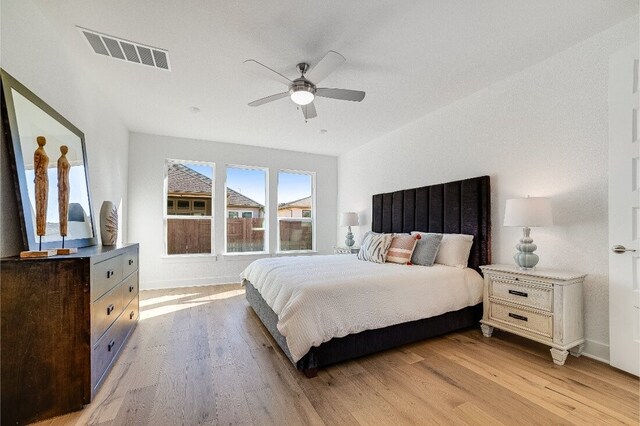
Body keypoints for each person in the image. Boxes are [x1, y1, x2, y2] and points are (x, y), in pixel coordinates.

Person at [33, 136, 49, 237]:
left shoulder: (43, 151)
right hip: (40, 178)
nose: (44, 140)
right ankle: (40, 230)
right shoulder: (38, 152)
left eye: (44, 139)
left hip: (45, 179)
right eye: (42, 139)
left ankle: (42, 229)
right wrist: (37, 176)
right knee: (40, 202)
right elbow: (36, 165)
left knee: (44, 202)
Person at [57, 145, 70, 237]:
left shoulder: (65, 159)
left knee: (66, 205)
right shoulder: (60, 160)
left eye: (67, 149)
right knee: (63, 205)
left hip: (67, 183)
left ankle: (64, 230)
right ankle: (63, 230)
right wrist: (60, 183)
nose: (66, 150)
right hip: (63, 184)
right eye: (64, 149)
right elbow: (59, 173)